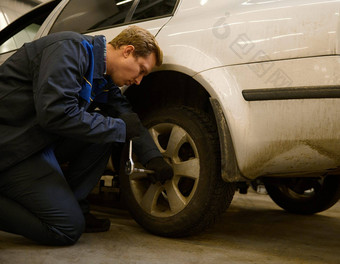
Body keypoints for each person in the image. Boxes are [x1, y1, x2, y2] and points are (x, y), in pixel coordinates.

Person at [0, 26, 173, 246]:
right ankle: (65, 213)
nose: (138, 81)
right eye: (141, 70)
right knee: (66, 228)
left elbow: (127, 119)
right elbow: (55, 114)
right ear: (127, 51)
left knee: (107, 133)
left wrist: (153, 158)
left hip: (35, 142)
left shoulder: (101, 78)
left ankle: (74, 205)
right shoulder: (69, 50)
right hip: (10, 147)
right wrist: (118, 127)